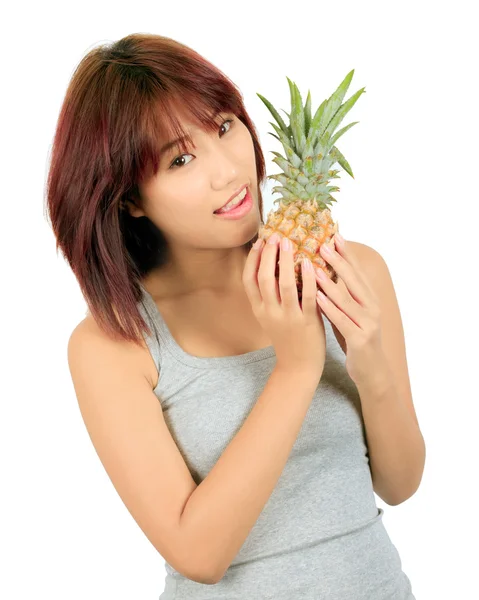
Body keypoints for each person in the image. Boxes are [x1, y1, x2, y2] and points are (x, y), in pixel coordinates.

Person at [49, 33, 416, 599]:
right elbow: (199, 554)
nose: (228, 171)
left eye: (223, 126)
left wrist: (372, 368)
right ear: (130, 199)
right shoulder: (115, 344)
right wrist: (296, 368)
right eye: (181, 158)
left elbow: (400, 483)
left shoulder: (351, 270)